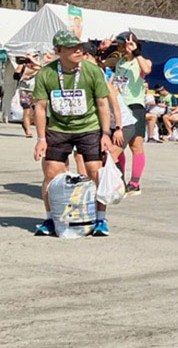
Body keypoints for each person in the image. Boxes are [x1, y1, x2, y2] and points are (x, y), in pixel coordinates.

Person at [31, 30, 118, 237]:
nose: (79, 50)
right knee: (51, 173)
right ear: (58, 51)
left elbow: (102, 103)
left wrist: (106, 133)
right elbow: (41, 108)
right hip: (58, 128)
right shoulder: (46, 73)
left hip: (88, 127)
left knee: (95, 171)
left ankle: (100, 219)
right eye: (72, 47)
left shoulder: (92, 70)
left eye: (80, 46)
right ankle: (51, 219)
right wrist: (41, 139)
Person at [107, 31, 152, 197]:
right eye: (119, 46)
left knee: (136, 145)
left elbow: (146, 69)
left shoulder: (142, 61)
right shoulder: (119, 63)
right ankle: (120, 180)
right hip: (120, 106)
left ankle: (135, 182)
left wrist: (136, 52)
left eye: (123, 45)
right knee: (119, 144)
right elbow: (104, 66)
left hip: (135, 106)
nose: (121, 49)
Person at [16, 55, 39, 138]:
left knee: (35, 112)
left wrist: (33, 61)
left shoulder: (38, 66)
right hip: (24, 91)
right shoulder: (22, 66)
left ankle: (26, 124)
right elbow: (15, 76)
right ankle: (28, 131)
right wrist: (21, 67)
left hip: (36, 91)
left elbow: (41, 67)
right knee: (27, 111)